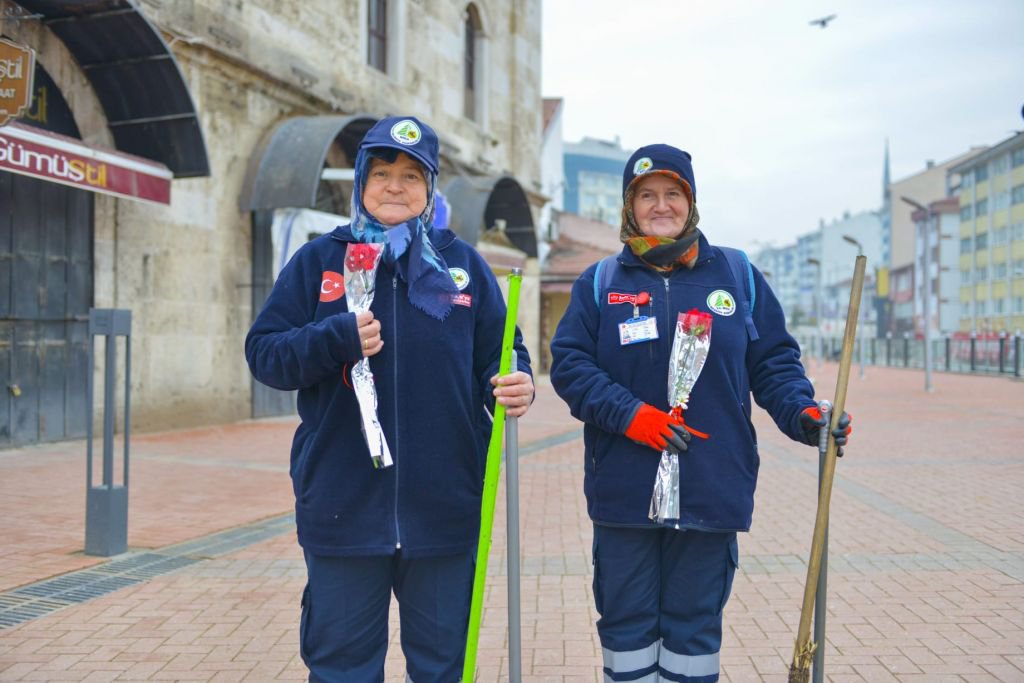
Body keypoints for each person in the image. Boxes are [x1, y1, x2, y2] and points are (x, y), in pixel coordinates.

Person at [245, 115, 535, 682]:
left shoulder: (463, 267)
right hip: (343, 507)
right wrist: (335, 337)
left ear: (430, 190)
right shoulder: (320, 261)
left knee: (441, 668)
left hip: (444, 508)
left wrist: (514, 378)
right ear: (360, 183)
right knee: (342, 670)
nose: (395, 187)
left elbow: (499, 354)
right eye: (381, 173)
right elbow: (265, 355)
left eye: (411, 175)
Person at [549, 144, 850, 683]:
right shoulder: (602, 282)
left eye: (673, 193)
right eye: (646, 196)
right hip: (627, 486)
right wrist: (631, 416)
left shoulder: (737, 275)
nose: (660, 206)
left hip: (711, 483)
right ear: (629, 205)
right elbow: (570, 367)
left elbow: (773, 363)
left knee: (693, 630)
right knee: (626, 627)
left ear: (690, 202)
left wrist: (804, 413)